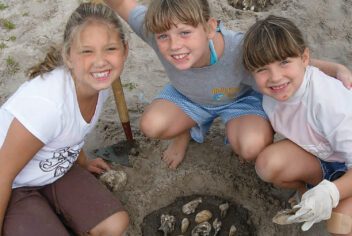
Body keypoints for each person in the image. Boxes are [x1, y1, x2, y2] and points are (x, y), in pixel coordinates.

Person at [104, 0, 351, 169]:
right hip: (188, 98)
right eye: (164, 37)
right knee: (151, 124)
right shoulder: (154, 27)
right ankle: (184, 133)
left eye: (185, 33)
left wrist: (337, 68)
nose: (174, 45)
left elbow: (290, 60)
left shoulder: (239, 49)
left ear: (210, 28)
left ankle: (234, 132)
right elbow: (122, 4)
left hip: (239, 101)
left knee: (251, 147)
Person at [0, 3, 129, 236]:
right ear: (68, 57)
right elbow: (2, 173)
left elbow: (71, 133)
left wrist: (82, 162)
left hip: (53, 172)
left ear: (125, 50)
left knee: (115, 224)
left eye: (110, 49)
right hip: (13, 184)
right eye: (87, 51)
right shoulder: (47, 106)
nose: (100, 61)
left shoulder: (99, 84)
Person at [242, 15, 352, 234]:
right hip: (324, 155)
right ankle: (308, 192)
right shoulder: (271, 94)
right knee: (267, 164)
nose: (275, 77)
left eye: (284, 62)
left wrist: (332, 193)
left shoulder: (329, 101)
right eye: (262, 69)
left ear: (305, 58)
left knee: (341, 227)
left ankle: (328, 196)